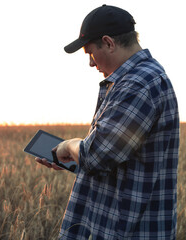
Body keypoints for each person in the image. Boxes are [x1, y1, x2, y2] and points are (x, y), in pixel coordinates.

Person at [36, 5, 179, 239]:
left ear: (109, 43)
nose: (91, 64)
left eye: (90, 53)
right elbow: (115, 158)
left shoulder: (139, 83)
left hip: (131, 230)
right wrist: (71, 159)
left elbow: (96, 156)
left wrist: (70, 145)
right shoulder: (134, 80)